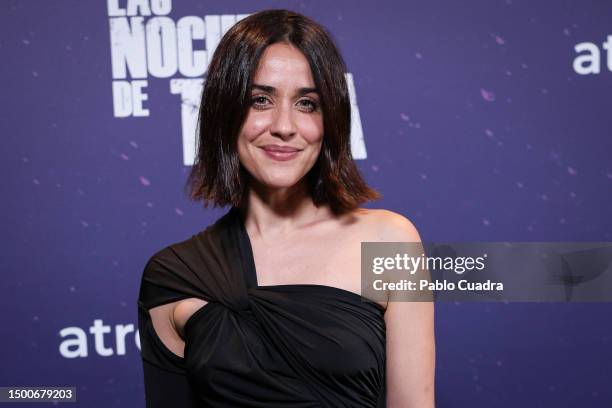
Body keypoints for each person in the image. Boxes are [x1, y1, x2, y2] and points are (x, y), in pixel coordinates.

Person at [137, 9, 435, 407]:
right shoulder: (174, 276)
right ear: (224, 112)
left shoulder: (389, 241)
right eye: (260, 100)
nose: (284, 125)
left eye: (307, 104)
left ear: (331, 120)